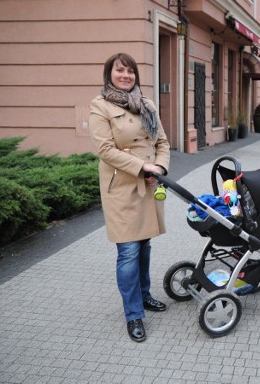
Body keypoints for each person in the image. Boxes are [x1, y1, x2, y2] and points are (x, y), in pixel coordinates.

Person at [89, 53, 171, 343]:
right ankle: (133, 314)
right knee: (128, 251)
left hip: (149, 184)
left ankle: (145, 295)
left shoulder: (147, 104)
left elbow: (161, 142)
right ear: (109, 74)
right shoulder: (101, 106)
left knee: (145, 244)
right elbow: (105, 149)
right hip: (122, 187)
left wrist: (159, 167)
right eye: (119, 70)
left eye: (130, 71)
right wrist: (142, 166)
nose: (125, 75)